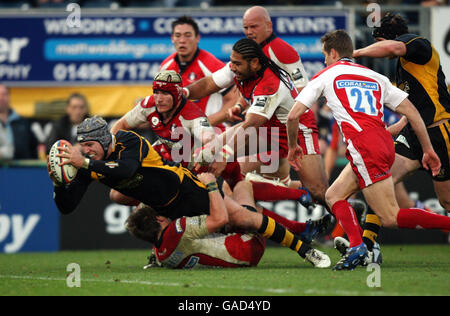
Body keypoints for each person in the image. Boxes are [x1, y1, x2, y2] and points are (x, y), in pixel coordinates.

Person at [49, 115, 331, 268]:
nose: (86, 151)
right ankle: (160, 257)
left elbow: (127, 170)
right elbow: (67, 206)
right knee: (133, 206)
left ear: (102, 141)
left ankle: (304, 249)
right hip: (165, 207)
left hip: (185, 188)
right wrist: (60, 184)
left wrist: (83, 161)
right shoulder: (90, 165)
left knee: (242, 218)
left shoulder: (125, 140)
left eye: (90, 146)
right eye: (83, 146)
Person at [287, 30, 450, 271]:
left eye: (324, 55)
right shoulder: (375, 76)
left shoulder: (325, 75)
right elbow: (413, 112)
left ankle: (362, 247)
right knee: (333, 196)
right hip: (384, 142)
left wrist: (293, 147)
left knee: (391, 217)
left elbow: (293, 116)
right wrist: (427, 148)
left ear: (332, 53)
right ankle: (357, 247)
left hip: (363, 147)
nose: (324, 60)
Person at [353, 12, 450, 251]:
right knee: (380, 180)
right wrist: (394, 128)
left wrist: (353, 54)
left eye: (378, 42)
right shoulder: (403, 67)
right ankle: (367, 246)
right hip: (414, 134)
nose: (378, 49)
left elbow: (394, 47)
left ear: (387, 37)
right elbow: (413, 108)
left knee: (446, 200)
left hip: (439, 131)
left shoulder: (419, 45)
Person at [194, 38, 329, 209]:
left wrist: (223, 156)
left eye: (252, 26)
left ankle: (346, 210)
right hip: (268, 130)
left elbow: (250, 124)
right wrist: (184, 92)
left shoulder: (272, 76)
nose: (249, 31)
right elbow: (213, 85)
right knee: (221, 165)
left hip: (296, 131)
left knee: (318, 191)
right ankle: (252, 225)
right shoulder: (247, 67)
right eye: (246, 27)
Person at [126, 174, 267, 269]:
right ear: (159, 218)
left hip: (237, 255)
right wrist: (211, 184)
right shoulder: (177, 229)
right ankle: (273, 185)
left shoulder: (160, 254)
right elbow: (221, 219)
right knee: (242, 186)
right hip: (248, 246)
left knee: (227, 194)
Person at [159, 15, 239, 129]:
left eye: (188, 35)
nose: (182, 40)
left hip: (213, 132)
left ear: (197, 38)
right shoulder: (166, 66)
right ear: (172, 38)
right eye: (178, 36)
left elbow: (234, 97)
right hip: (180, 133)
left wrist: (205, 124)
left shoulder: (210, 64)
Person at [0, 84, 38, 160]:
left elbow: (33, 147)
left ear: (9, 97)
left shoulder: (23, 122)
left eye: (4, 94)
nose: (1, 98)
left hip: (23, 169)